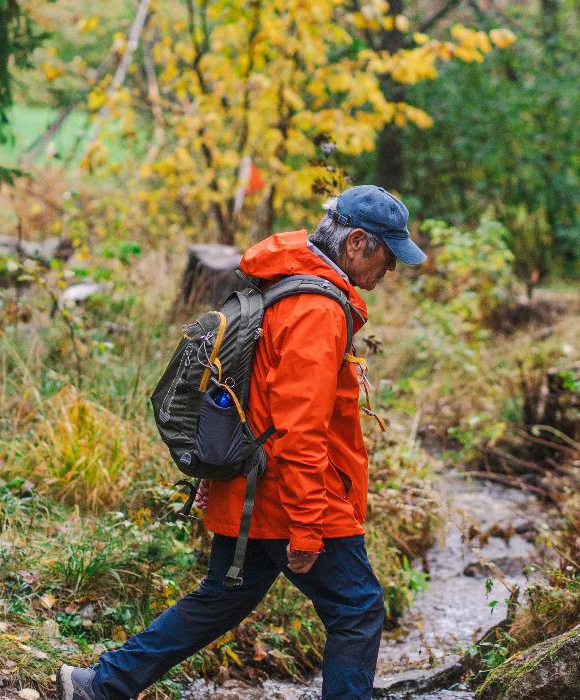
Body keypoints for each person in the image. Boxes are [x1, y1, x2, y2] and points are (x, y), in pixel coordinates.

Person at [58, 185, 426, 700]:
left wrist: (219, 478)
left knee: (221, 599)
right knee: (358, 609)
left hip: (250, 487)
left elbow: (250, 393)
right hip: (291, 496)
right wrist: (306, 525)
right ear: (358, 242)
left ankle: (101, 684)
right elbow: (300, 428)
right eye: (389, 254)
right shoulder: (317, 309)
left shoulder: (282, 283)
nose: (391, 270)